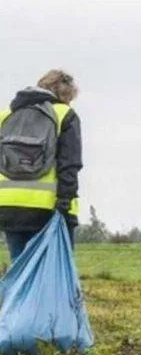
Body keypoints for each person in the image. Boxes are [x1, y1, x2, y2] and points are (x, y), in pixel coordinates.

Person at [0, 70, 82, 260]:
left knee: (21, 269)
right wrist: (65, 202)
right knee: (56, 270)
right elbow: (70, 164)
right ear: (65, 94)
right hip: (49, 208)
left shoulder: (6, 115)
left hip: (9, 205)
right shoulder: (64, 114)